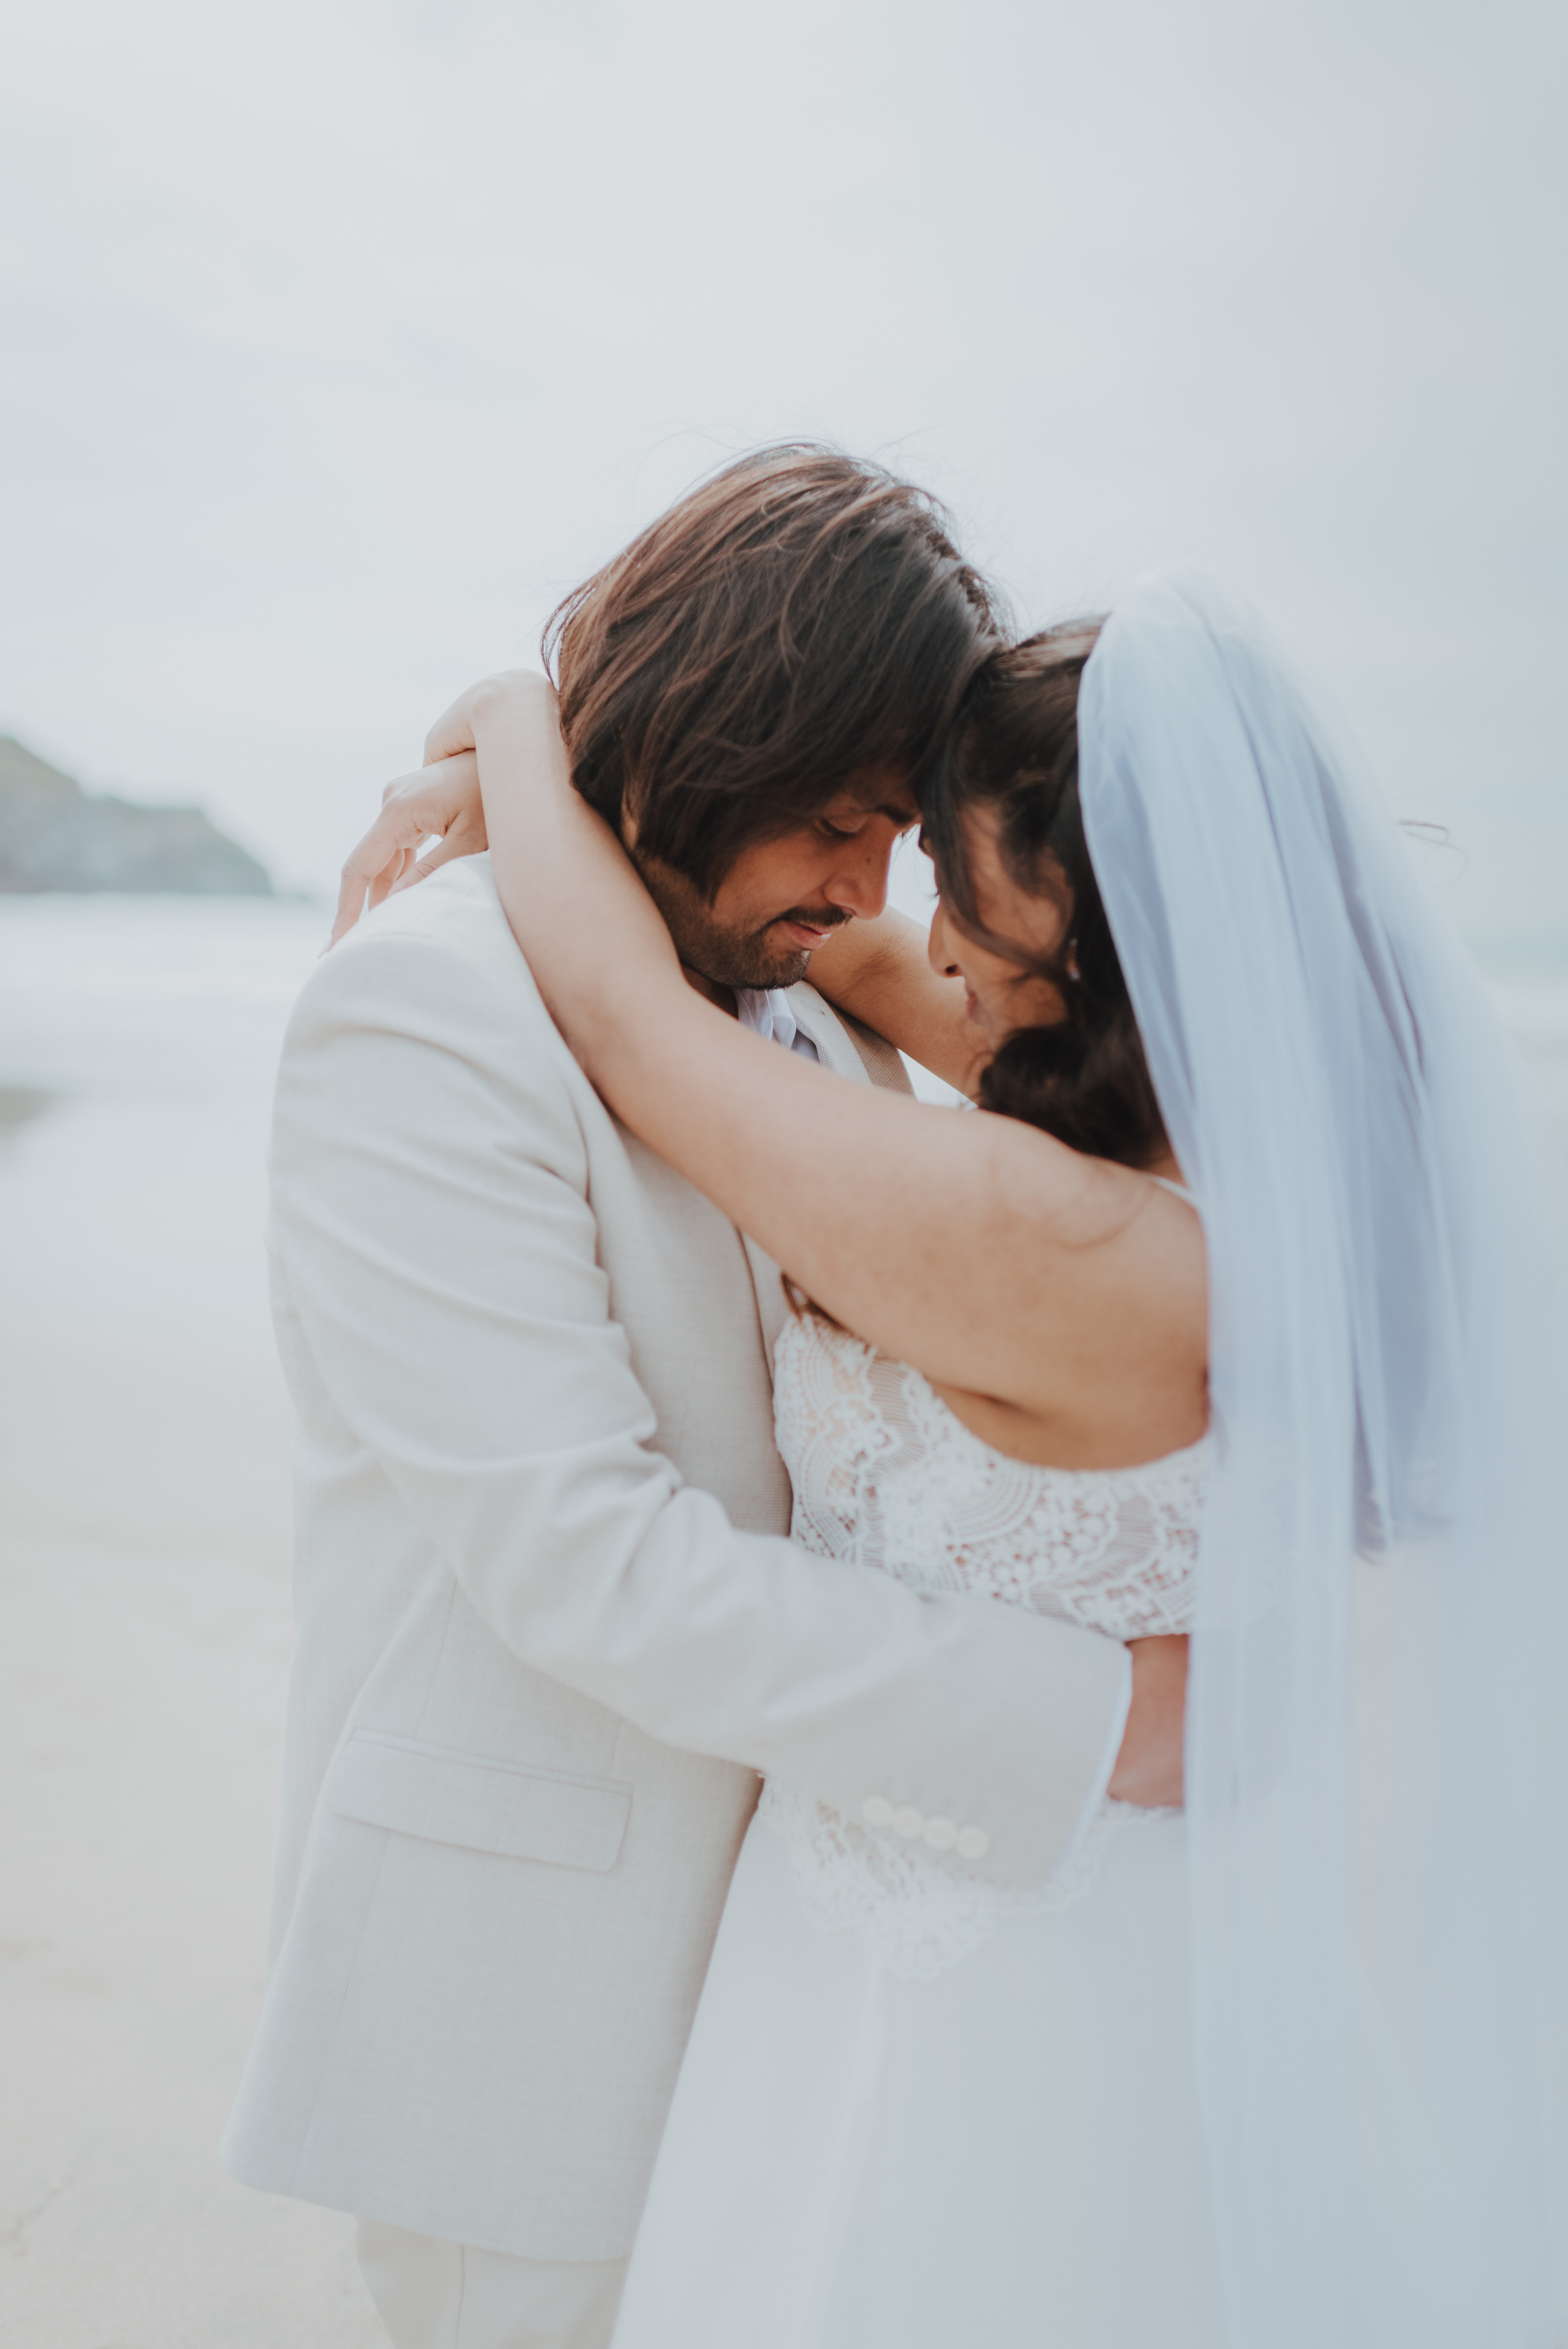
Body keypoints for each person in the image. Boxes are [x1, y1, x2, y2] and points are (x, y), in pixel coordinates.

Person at [356, 563, 1568, 2347]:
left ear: (1098, 943)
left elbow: (625, 1018)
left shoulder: (1048, 1236)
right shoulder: (1260, 1150)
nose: (925, 942)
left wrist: (517, 717)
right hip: (1162, 1926)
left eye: (968, 897)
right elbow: (828, 950)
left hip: (969, 1986)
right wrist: (643, 804)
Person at [221, 448, 1179, 2349]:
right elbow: (592, 1566)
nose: (869, 889)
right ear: (719, 730)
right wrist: (1101, 1723)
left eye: (898, 835)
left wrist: (508, 726)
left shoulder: (795, 982)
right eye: (839, 819)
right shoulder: (426, 1013)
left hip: (799, 1976)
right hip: (533, 1999)